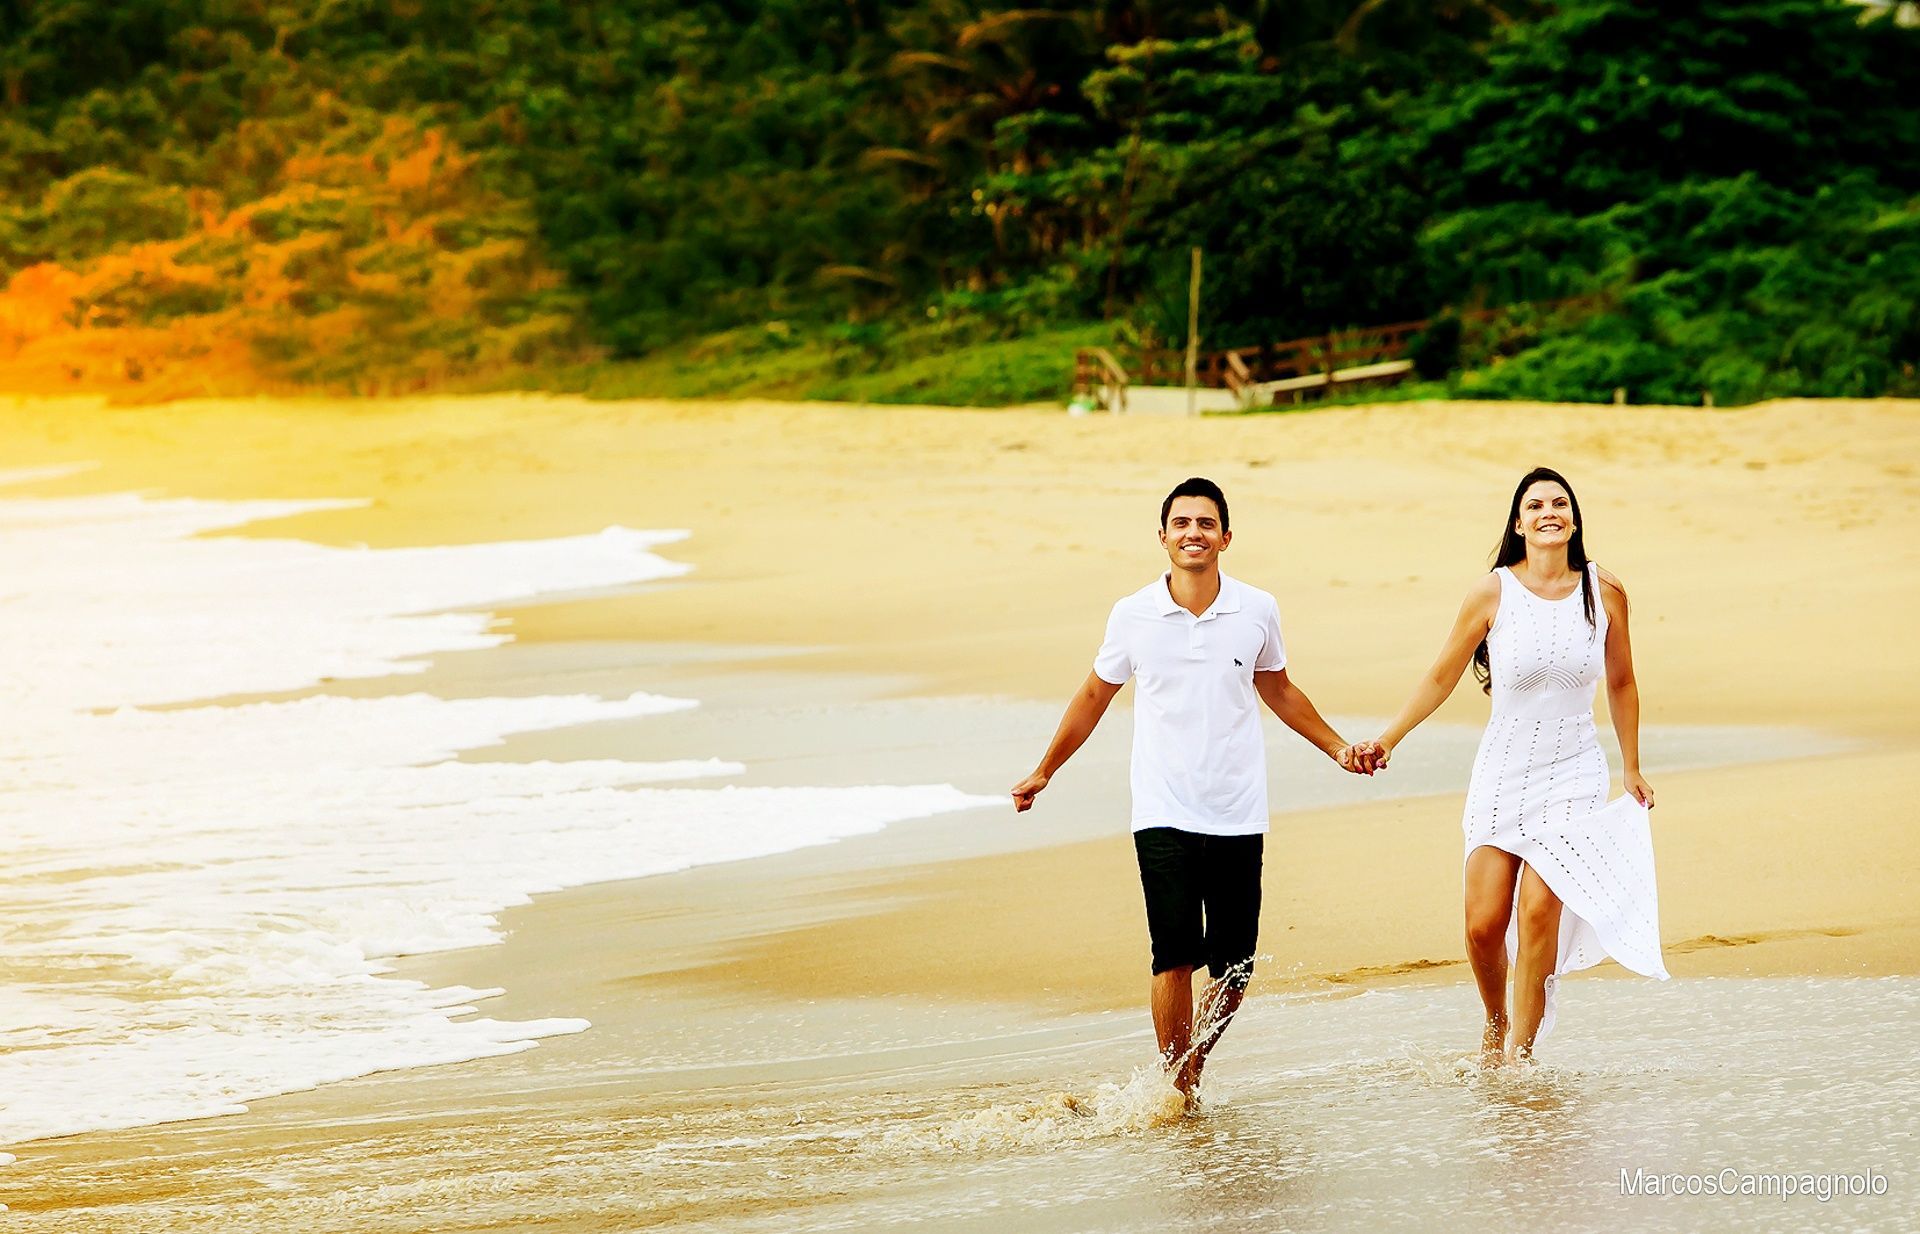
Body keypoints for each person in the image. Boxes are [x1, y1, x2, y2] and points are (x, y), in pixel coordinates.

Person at [1010, 477, 1372, 1102]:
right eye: (1181, 523)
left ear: (1225, 537)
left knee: (1235, 968)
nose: (1193, 533)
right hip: (1162, 810)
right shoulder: (1132, 614)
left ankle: (1188, 1068)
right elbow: (1095, 694)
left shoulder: (1256, 608)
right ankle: (1176, 1088)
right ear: (1163, 537)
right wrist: (1047, 769)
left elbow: (1279, 687)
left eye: (1206, 523)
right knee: (1173, 954)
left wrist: (1338, 747)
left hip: (1237, 809)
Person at [1361, 466, 1669, 1063]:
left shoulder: (1604, 592)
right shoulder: (1492, 592)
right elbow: (1442, 674)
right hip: (1503, 771)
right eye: (1535, 505)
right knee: (1482, 924)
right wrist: (1388, 739)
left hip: (1575, 771)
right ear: (1519, 523)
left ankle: (1519, 1061)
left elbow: (1623, 681)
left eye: (1559, 503)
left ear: (1573, 519)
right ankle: (1495, 1021)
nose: (1548, 512)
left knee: (1536, 914)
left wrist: (1631, 767)